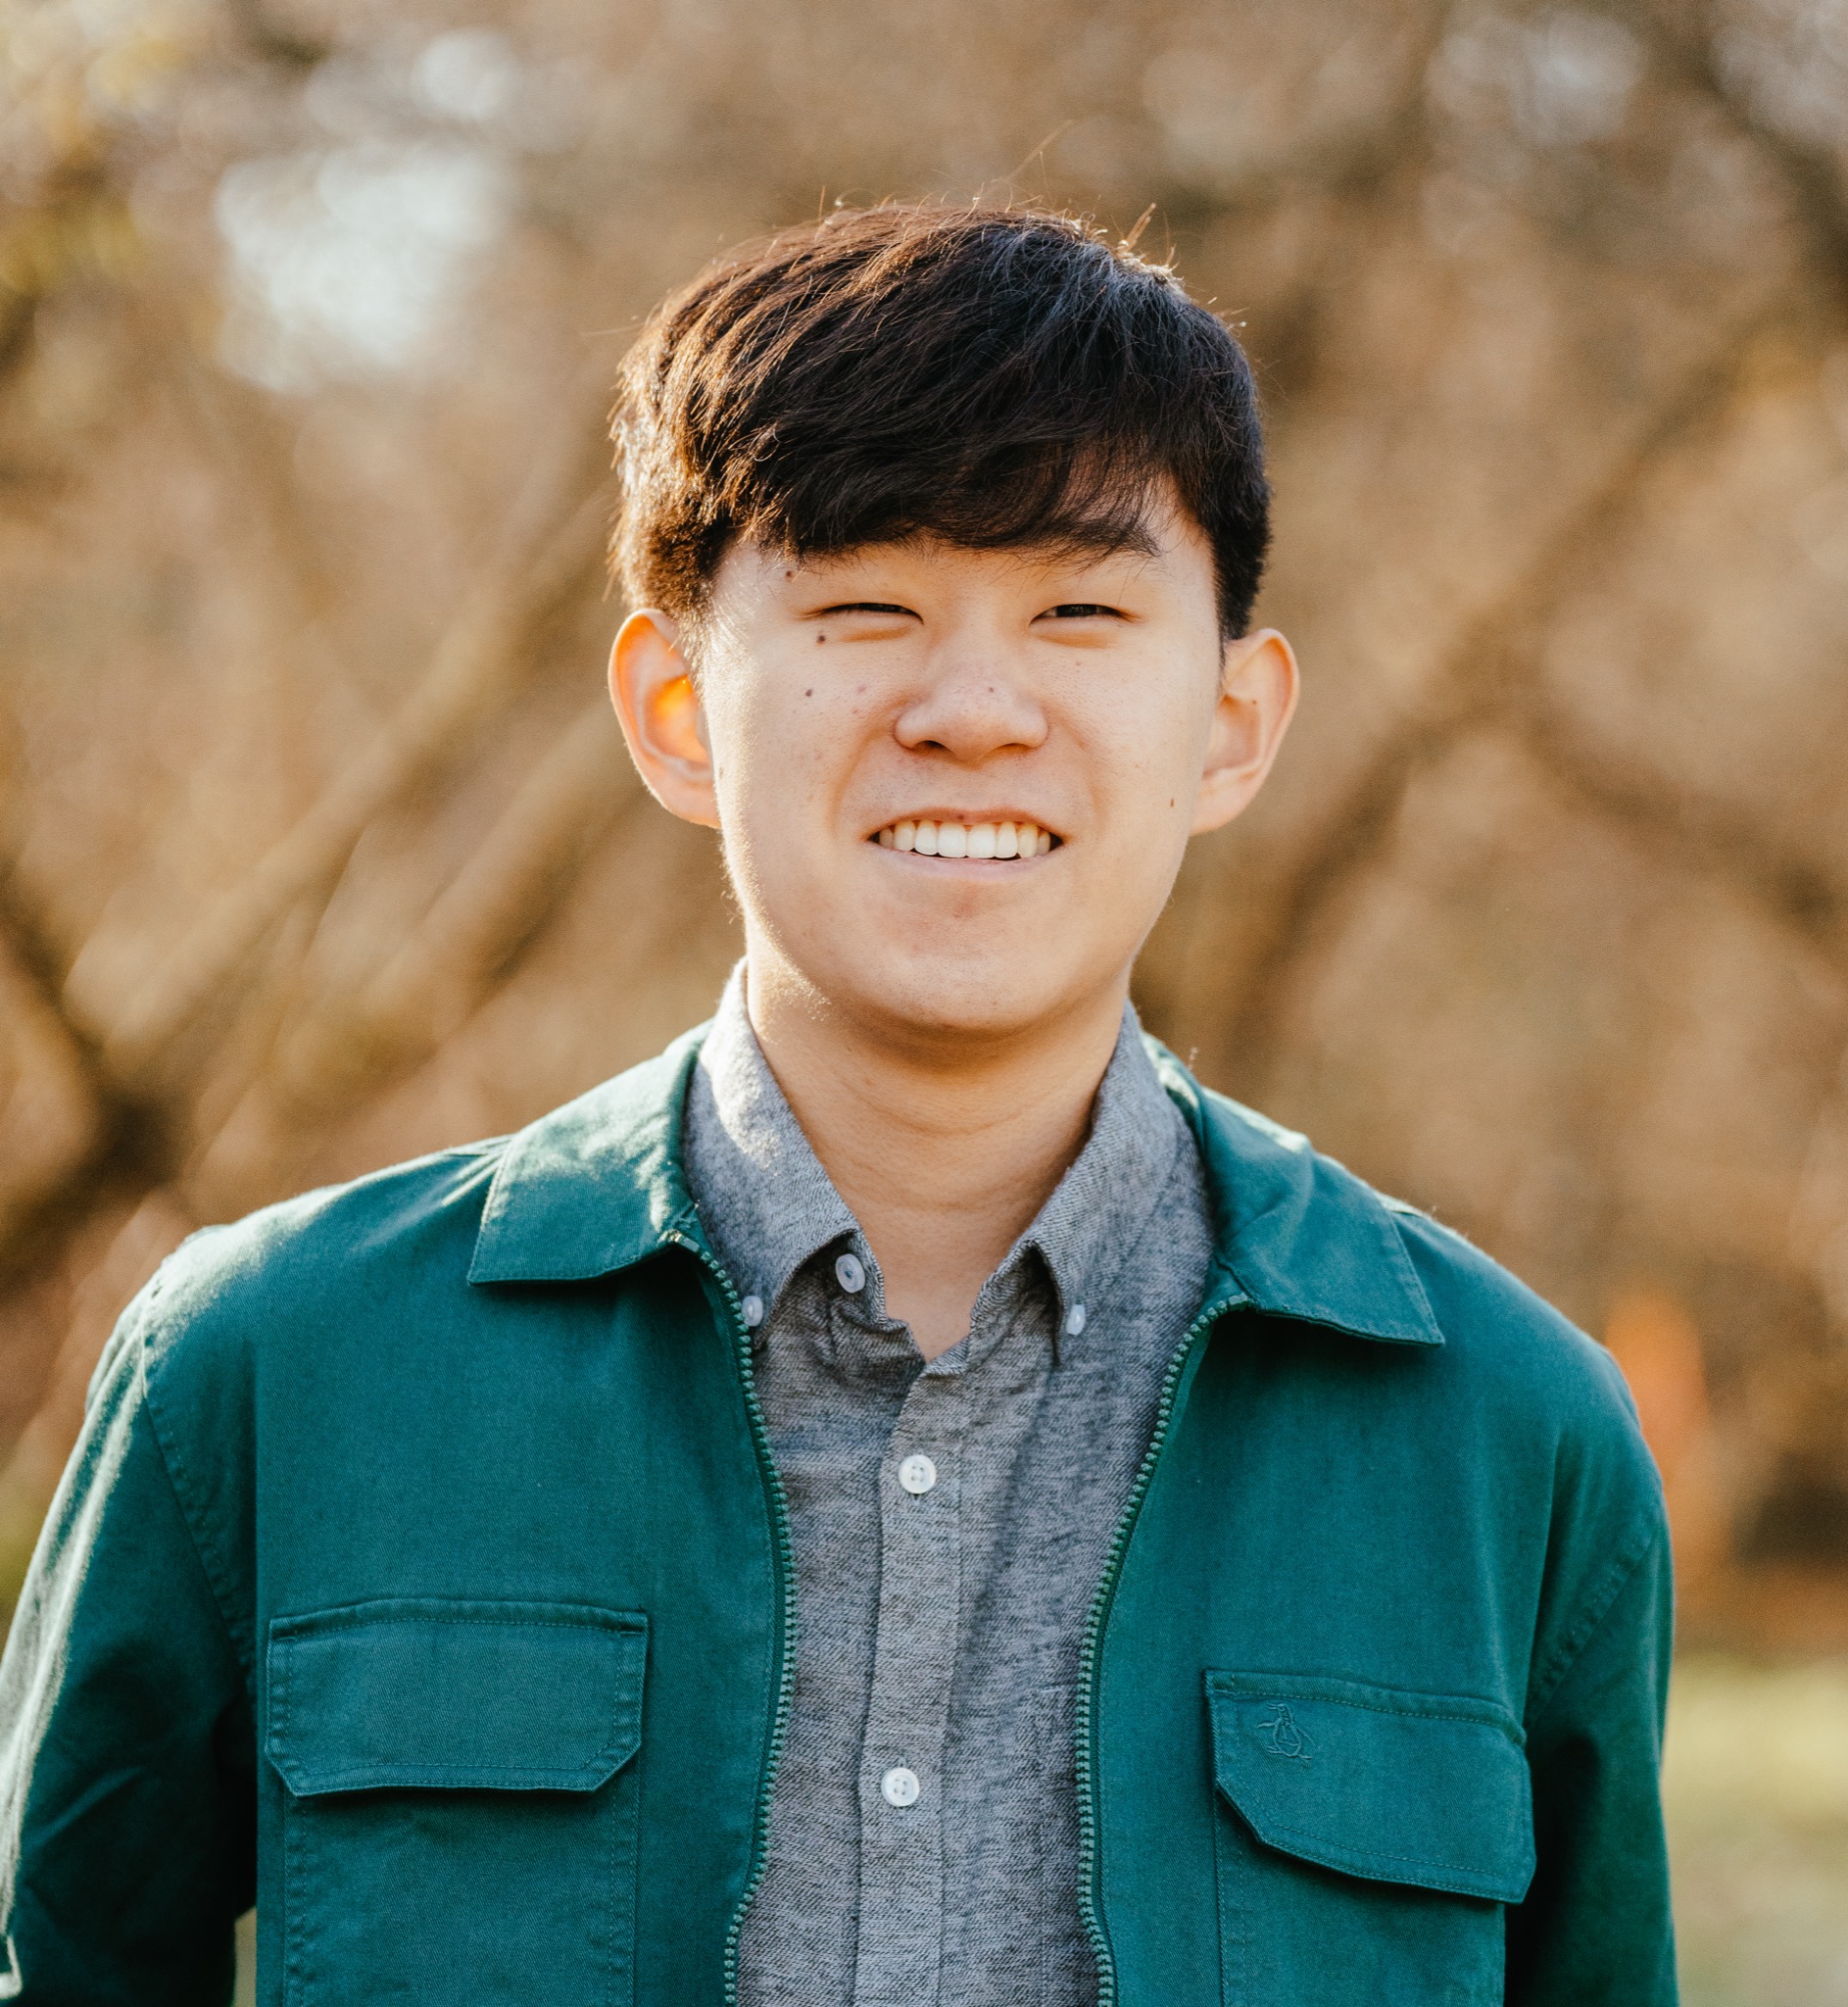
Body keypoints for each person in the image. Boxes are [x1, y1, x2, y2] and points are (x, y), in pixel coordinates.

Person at [0, 204, 1675, 2006]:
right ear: (671, 707)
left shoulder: (1511, 1442)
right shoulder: (272, 1372)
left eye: (1082, 611)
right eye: (866, 604)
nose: (969, 709)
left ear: (1231, 725)